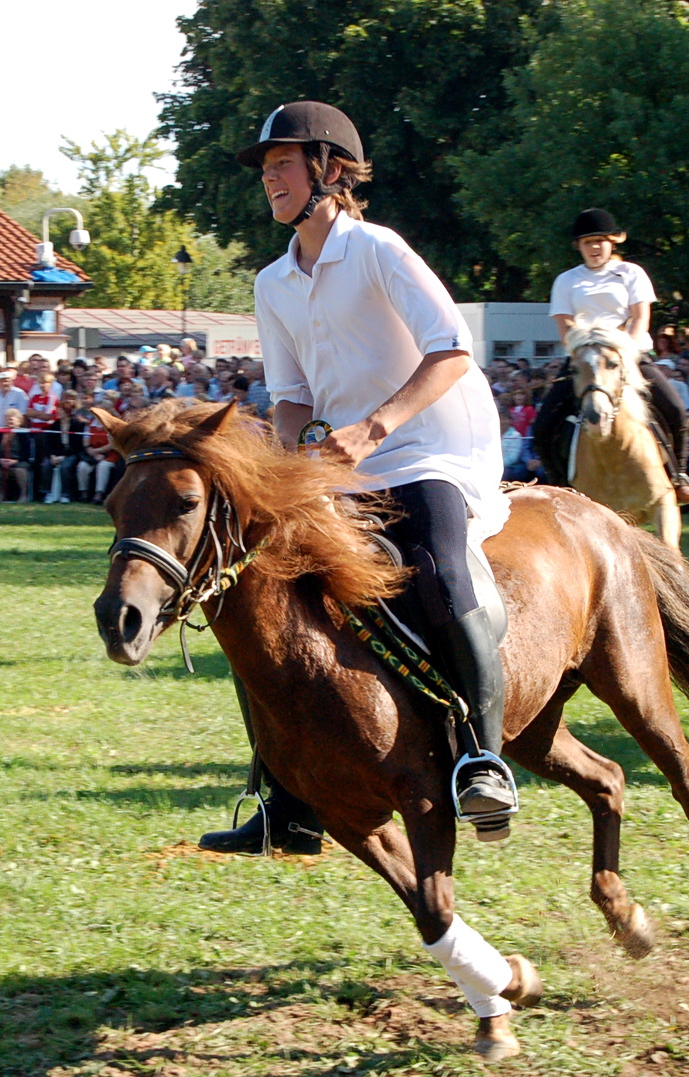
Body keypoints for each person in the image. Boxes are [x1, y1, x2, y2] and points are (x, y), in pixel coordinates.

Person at [200, 99, 517, 856]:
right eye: (268, 166)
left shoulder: (380, 250)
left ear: (329, 170)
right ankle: (289, 804)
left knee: (437, 571)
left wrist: (372, 427)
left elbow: (451, 351)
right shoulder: (273, 282)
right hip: (339, 467)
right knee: (257, 588)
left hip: (429, 449)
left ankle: (485, 755)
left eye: (282, 162)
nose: (269, 177)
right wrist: (293, 452)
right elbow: (291, 397)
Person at [548, 208, 689, 505]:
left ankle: (679, 476)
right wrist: (582, 347)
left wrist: (625, 350)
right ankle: (559, 486)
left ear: (612, 243)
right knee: (545, 423)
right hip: (584, 358)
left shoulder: (632, 273)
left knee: (676, 410)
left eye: (600, 241)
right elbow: (565, 324)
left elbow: (640, 316)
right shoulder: (566, 281)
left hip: (630, 357)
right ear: (578, 247)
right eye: (587, 243)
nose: (594, 248)